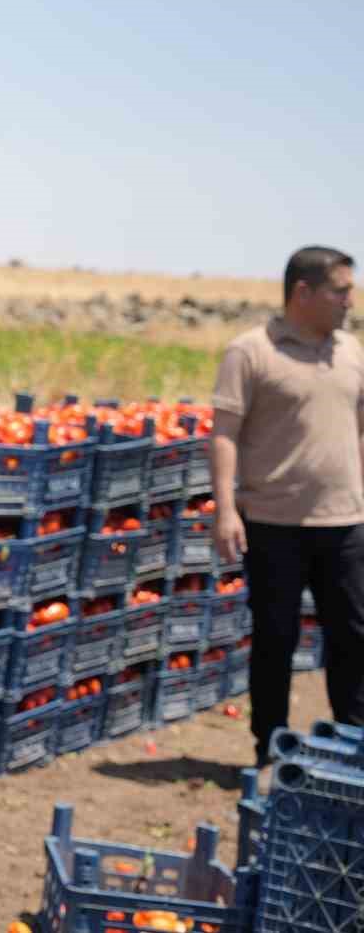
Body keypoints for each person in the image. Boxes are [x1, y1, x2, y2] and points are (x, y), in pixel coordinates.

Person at [210, 245, 362, 768]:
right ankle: (269, 750)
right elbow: (225, 434)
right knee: (276, 639)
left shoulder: (351, 351)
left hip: (344, 522)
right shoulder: (251, 352)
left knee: (354, 636)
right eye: (340, 290)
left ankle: (352, 749)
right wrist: (226, 509)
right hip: (273, 524)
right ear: (303, 292)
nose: (350, 300)